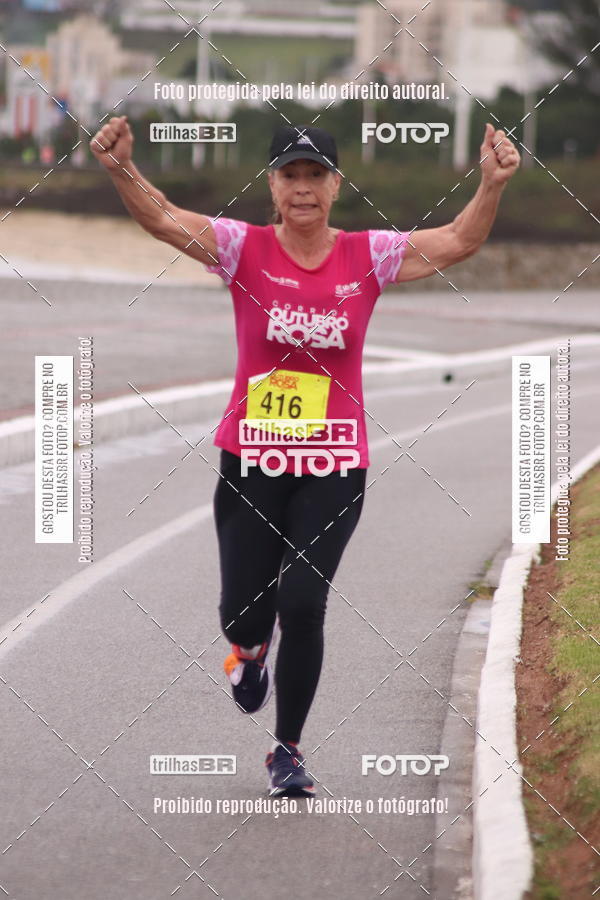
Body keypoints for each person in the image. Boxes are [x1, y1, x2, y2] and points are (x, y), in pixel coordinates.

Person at [90, 117, 520, 796]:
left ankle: (287, 750)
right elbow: (168, 222)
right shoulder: (242, 249)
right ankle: (249, 652)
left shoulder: (369, 256)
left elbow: (460, 239)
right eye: (290, 175)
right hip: (252, 463)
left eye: (315, 176)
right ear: (272, 185)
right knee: (245, 613)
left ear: (335, 186)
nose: (302, 189)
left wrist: (491, 183)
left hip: (333, 467)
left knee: (304, 601)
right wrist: (121, 170)